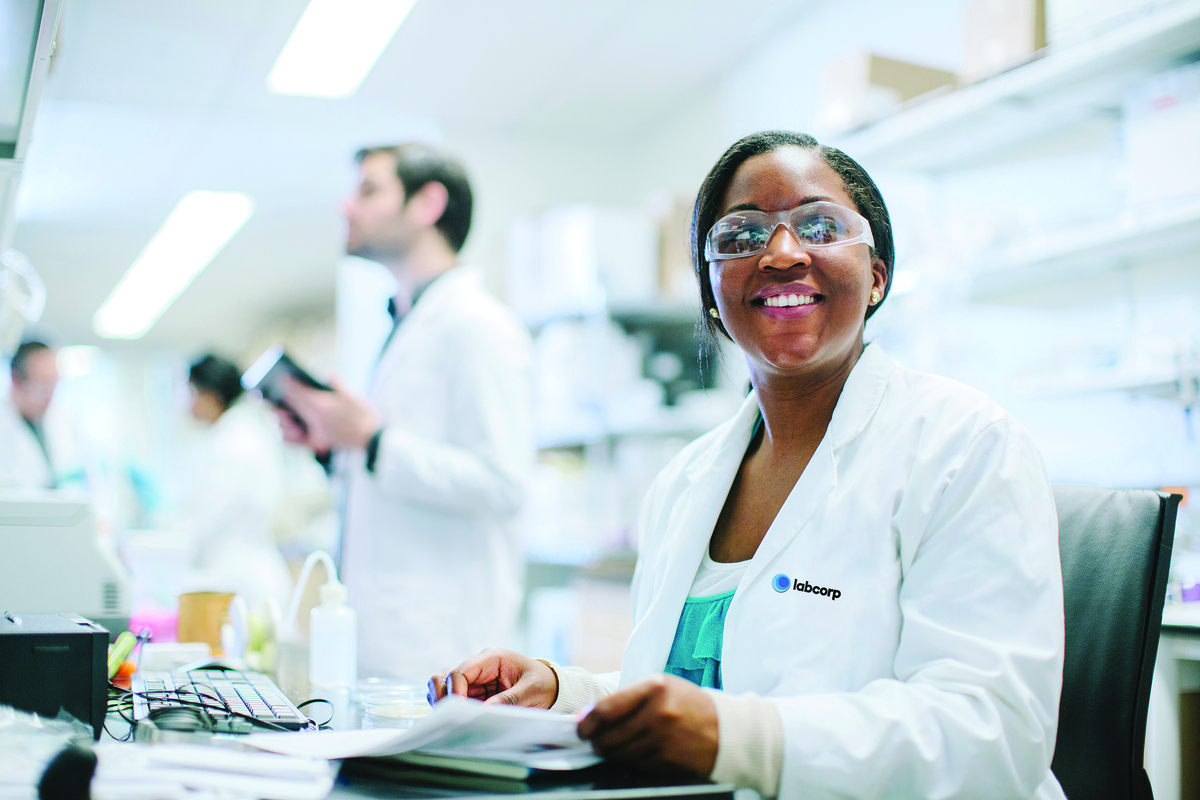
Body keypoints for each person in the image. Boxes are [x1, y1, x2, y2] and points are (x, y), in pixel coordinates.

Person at [431, 131, 1065, 800]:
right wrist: (568, 693)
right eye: (740, 237)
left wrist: (742, 741)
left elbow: (990, 732)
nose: (783, 253)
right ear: (712, 292)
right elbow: (709, 692)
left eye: (819, 226)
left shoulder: (965, 447)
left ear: (876, 276)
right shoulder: (684, 483)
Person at [278, 143, 534, 681]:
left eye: (368, 191)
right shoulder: (406, 322)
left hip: (443, 649)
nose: (346, 208)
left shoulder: (475, 325)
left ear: (427, 204)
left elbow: (503, 483)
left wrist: (371, 441)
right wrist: (335, 445)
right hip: (386, 641)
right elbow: (398, 471)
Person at [179, 353, 292, 610]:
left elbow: (202, 521)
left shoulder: (233, 444)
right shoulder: (238, 434)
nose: (187, 404)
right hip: (240, 574)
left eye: (191, 393)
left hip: (240, 580)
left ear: (210, 395)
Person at [0, 340, 61, 490]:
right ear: (16, 380)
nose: (49, 395)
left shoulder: (60, 422)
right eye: (43, 385)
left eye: (54, 384)